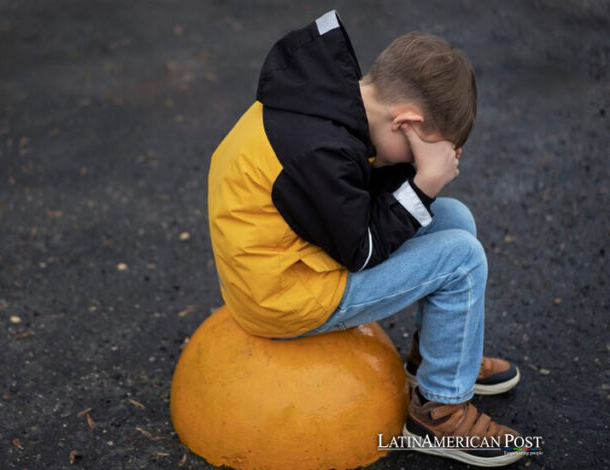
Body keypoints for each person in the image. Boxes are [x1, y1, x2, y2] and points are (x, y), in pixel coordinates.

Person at [207, 10, 524, 467]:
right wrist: (423, 183)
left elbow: (353, 194)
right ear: (405, 123)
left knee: (453, 217)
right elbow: (362, 250)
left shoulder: (332, 101)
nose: (418, 163)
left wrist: (422, 182)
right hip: (281, 294)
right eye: (419, 149)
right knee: (462, 259)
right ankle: (439, 414)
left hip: (300, 251)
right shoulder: (318, 151)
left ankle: (437, 361)